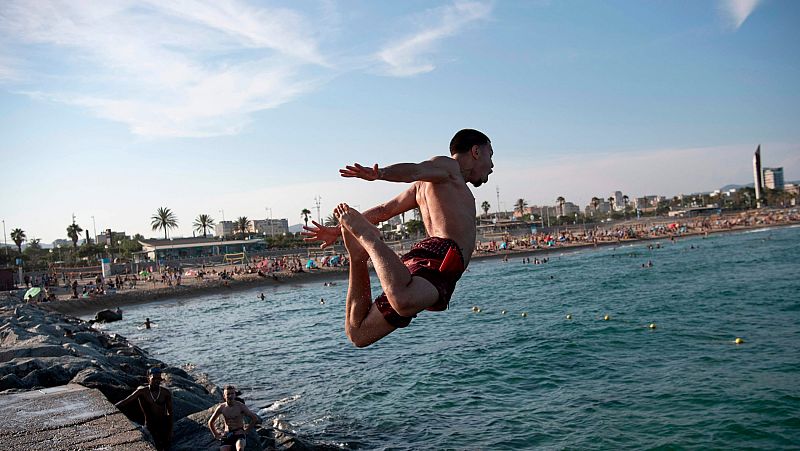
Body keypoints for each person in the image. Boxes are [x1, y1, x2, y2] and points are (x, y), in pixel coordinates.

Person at [303, 129, 494, 347]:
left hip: (430, 260)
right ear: (476, 151)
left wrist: (338, 231)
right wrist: (380, 173)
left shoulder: (428, 186)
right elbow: (415, 170)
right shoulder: (450, 168)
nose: (492, 165)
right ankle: (369, 239)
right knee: (403, 301)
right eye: (491, 154)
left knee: (359, 333)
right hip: (443, 257)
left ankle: (358, 258)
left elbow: (386, 209)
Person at [115, 367, 173, 451]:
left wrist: (170, 431)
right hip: (149, 426)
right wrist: (111, 408)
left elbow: (170, 413)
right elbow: (126, 401)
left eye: (159, 378)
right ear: (148, 378)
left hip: (163, 426)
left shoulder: (165, 393)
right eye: (154, 378)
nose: (157, 380)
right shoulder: (142, 392)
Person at [208, 385, 261, 451]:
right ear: (224, 396)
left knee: (240, 448)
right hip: (227, 434)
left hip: (239, 433)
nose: (230, 396)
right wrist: (216, 435)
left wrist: (245, 431)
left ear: (235, 395)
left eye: (232, 393)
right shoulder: (221, 408)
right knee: (224, 449)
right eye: (228, 394)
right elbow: (210, 422)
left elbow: (254, 418)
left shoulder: (240, 406)